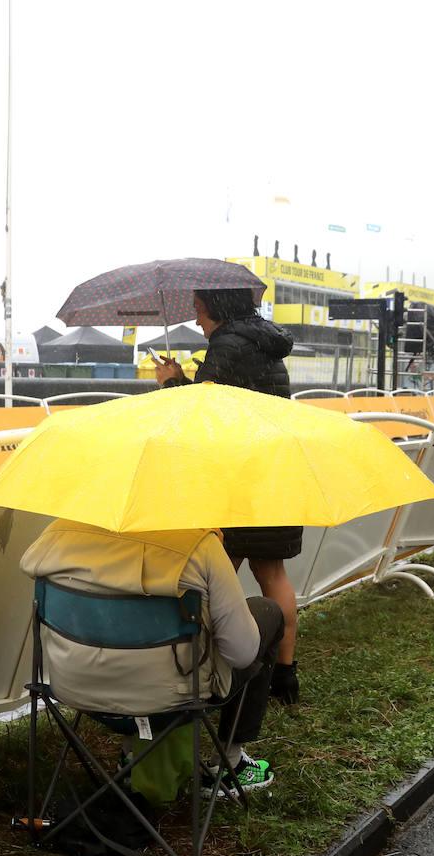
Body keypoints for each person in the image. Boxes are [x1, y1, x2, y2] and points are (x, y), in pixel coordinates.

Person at [20, 519, 284, 795]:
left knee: (116, 630)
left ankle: (131, 756)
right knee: (267, 612)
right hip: (173, 700)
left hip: (75, 689)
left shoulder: (57, 535)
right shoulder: (201, 548)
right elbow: (241, 654)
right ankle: (230, 763)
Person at [154, 289, 303, 705]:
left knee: (218, 572)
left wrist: (170, 385)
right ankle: (284, 673)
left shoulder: (227, 343)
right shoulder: (264, 340)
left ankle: (210, 666)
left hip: (240, 477)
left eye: (199, 310)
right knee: (272, 574)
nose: (197, 320)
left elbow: (203, 415)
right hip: (275, 470)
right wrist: (186, 379)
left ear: (216, 309)